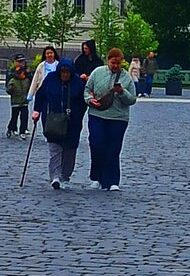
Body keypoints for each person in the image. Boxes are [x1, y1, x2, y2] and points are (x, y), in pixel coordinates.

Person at [84, 47, 137, 191]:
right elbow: (87, 89)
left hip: (118, 117)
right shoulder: (97, 72)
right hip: (97, 114)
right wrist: (89, 99)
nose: (115, 66)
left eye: (118, 63)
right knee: (96, 144)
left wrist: (122, 92)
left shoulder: (126, 78)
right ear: (108, 61)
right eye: (113, 63)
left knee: (113, 148)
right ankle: (97, 177)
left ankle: (112, 180)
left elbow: (132, 99)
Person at [32, 58, 87, 189]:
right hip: (52, 120)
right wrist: (37, 111)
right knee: (55, 149)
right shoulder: (50, 79)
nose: (65, 75)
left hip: (72, 121)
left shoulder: (78, 83)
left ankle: (65, 176)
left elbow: (83, 101)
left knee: (70, 150)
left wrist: (78, 115)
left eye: (67, 72)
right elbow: (40, 95)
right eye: (63, 72)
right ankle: (55, 176)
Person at [5, 55, 32, 138]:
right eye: (19, 62)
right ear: (15, 62)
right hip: (16, 98)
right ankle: (11, 128)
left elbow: (31, 83)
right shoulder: (11, 72)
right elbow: (7, 86)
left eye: (22, 62)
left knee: (24, 115)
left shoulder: (28, 73)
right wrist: (11, 88)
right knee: (14, 115)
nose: (21, 64)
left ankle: (22, 131)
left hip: (24, 98)